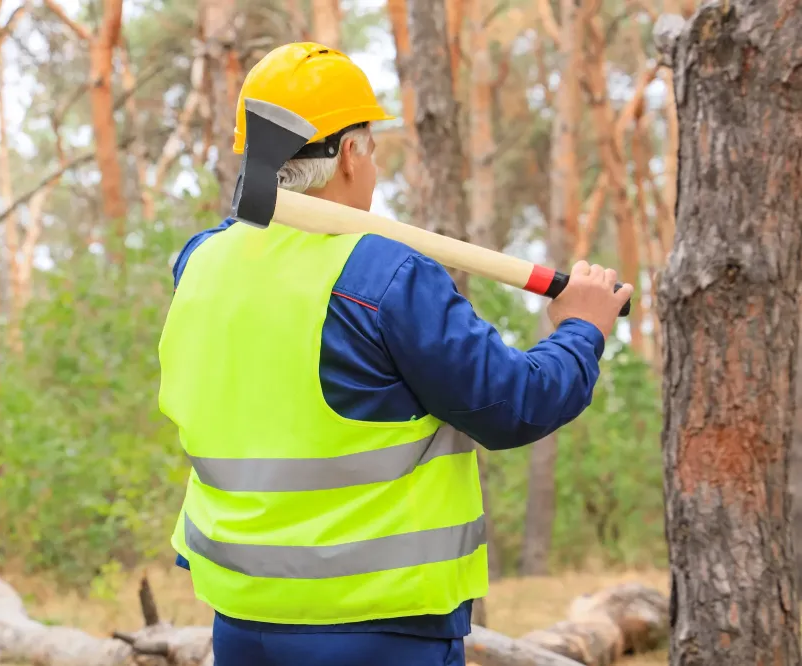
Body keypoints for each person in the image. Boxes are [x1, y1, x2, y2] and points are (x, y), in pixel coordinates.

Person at [157, 42, 634, 666]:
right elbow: (514, 406)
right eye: (373, 150)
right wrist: (582, 329)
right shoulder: (385, 276)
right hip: (375, 628)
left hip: (242, 622)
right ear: (350, 155)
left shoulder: (199, 263)